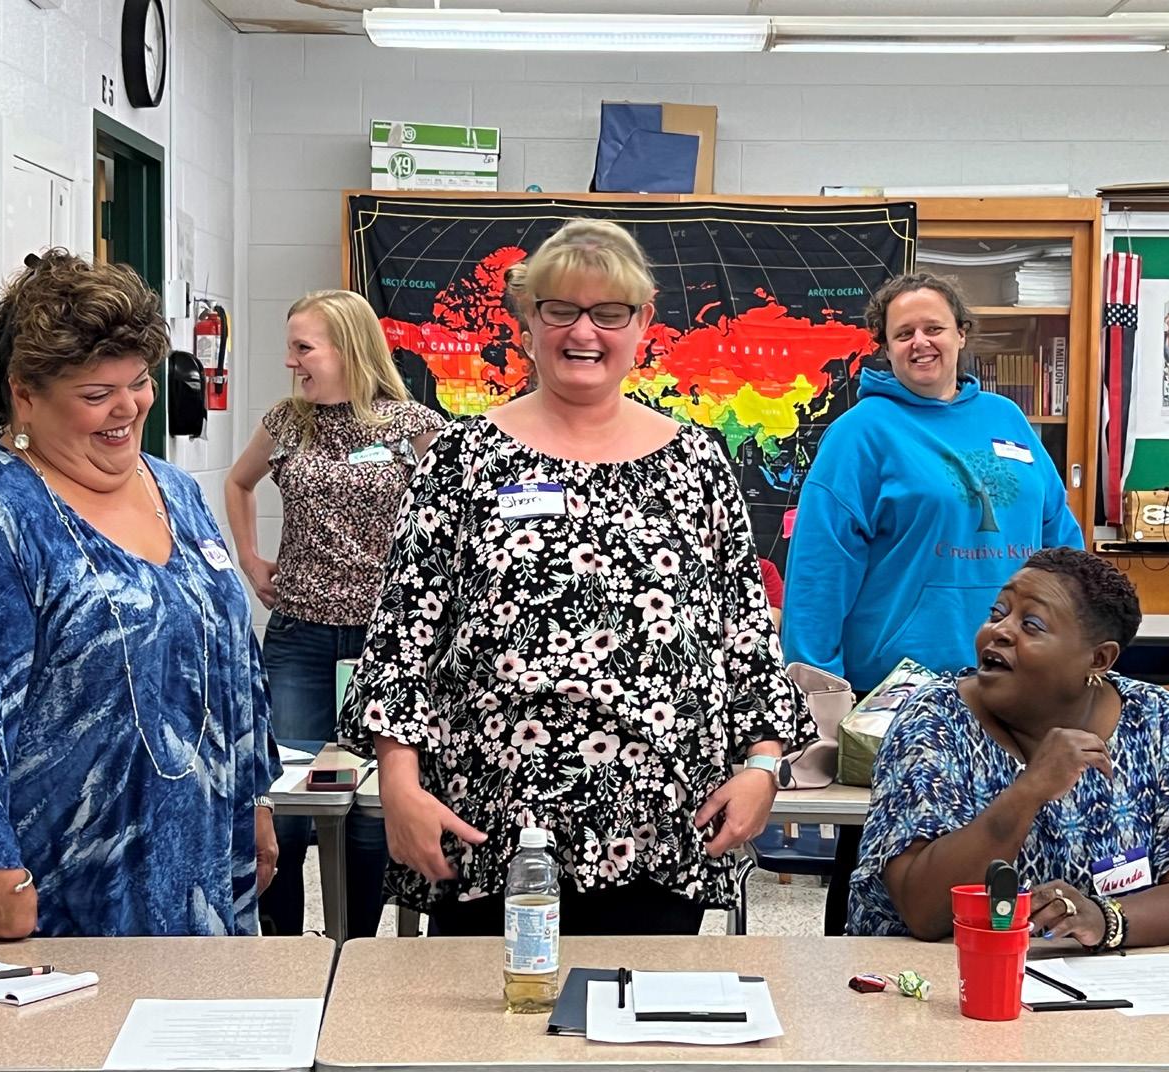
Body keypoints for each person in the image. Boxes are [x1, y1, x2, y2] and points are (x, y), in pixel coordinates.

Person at [337, 219, 815, 935]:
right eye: (560, 309)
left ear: (643, 323)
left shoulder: (698, 463)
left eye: (608, 312)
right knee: (491, 1007)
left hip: (662, 827)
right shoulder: (462, 458)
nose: (583, 331)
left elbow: (744, 631)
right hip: (491, 823)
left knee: (641, 1007)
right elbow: (404, 635)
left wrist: (763, 768)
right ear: (527, 322)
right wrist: (399, 785)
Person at [0, 250, 280, 938]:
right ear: (25, 394)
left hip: (198, 859)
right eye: (95, 394)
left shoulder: (176, 490)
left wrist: (254, 795)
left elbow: (233, 657)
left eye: (139, 383)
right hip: (52, 887)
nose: (127, 408)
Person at [780, 271, 1083, 934]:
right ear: (884, 348)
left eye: (934, 328)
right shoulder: (861, 434)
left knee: (1011, 850)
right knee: (888, 871)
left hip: (1016, 691)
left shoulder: (1006, 421)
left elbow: (1061, 543)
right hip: (900, 697)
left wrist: (1079, 649)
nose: (920, 342)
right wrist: (818, 706)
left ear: (962, 335)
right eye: (903, 333)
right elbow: (819, 576)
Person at [849, 548, 1169, 946]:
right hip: (938, 975)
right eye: (997, 613)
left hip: (1101, 978)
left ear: (1098, 659)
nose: (1000, 631)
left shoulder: (1156, 720)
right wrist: (1028, 791)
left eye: (1032, 624)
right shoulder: (935, 718)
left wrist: (1104, 918)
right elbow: (923, 911)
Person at [226, 289, 444, 938]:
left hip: (385, 644)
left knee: (369, 812)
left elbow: (458, 512)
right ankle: (286, 953)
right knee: (287, 806)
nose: (290, 362)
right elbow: (238, 482)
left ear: (348, 349)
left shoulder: (412, 426)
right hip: (298, 636)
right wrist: (250, 558)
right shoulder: (286, 422)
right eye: (290, 347)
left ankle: (357, 952)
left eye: (303, 348)